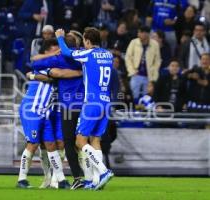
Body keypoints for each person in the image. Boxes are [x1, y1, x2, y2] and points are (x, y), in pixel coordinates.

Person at [55, 27, 114, 190]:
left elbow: (67, 53)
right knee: (95, 140)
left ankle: (103, 171)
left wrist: (60, 38)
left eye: (85, 42)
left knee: (80, 140)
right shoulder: (108, 55)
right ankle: (96, 181)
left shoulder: (88, 54)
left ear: (87, 42)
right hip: (106, 102)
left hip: (92, 103)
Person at [17, 39, 80, 189]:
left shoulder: (45, 65)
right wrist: (79, 72)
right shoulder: (44, 65)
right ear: (46, 53)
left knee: (51, 145)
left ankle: (61, 180)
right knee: (32, 144)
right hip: (32, 109)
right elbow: (55, 74)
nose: (58, 54)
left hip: (45, 111)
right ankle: (21, 179)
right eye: (55, 51)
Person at [125, 26, 161, 102]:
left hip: (149, 75)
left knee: (147, 97)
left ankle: (145, 112)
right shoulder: (134, 42)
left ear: (147, 34)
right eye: (139, 32)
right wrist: (132, 71)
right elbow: (128, 57)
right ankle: (134, 110)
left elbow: (157, 61)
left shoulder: (155, 44)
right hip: (136, 74)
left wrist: (153, 76)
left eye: (141, 32)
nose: (139, 34)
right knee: (133, 95)